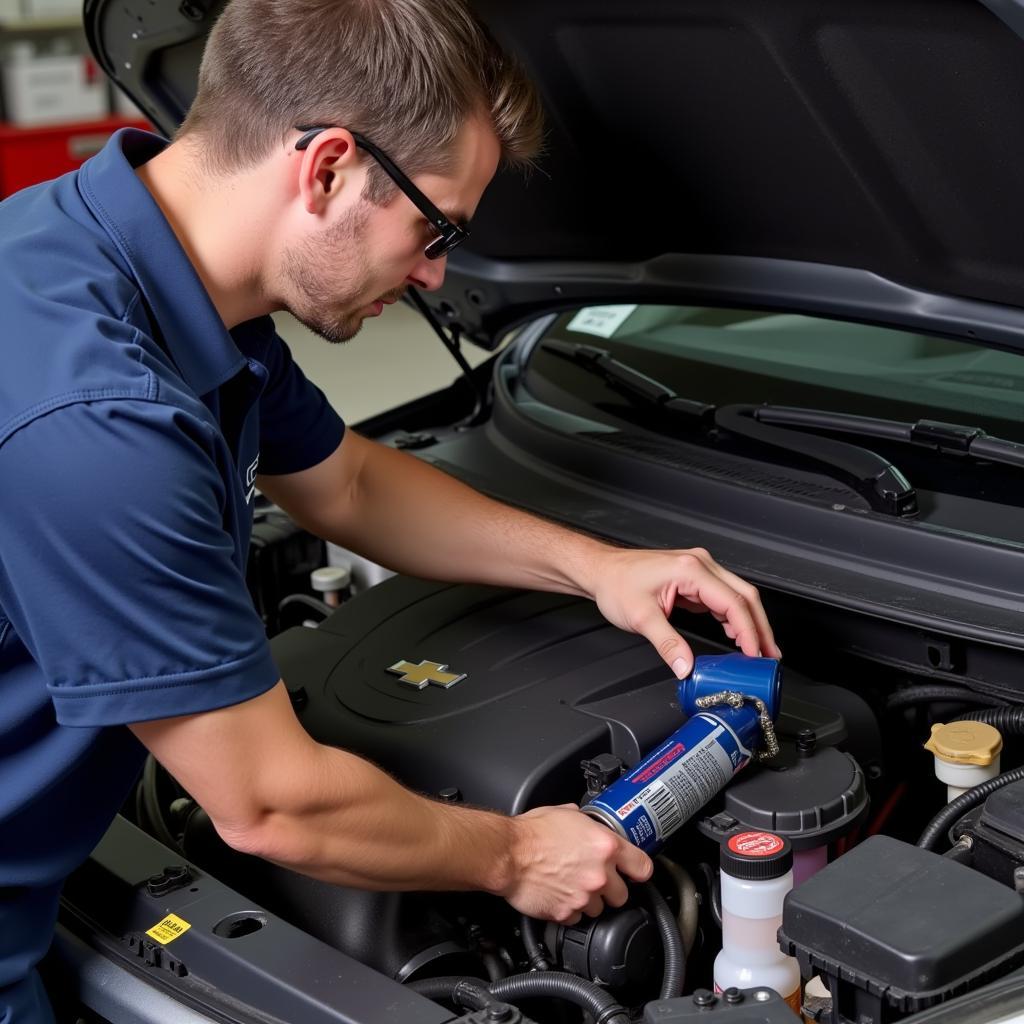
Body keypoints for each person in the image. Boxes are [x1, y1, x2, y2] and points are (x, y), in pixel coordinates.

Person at [0, 1, 781, 1020]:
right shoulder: (103, 422)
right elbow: (271, 804)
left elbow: (347, 484)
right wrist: (512, 855)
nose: (436, 275)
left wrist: (595, 565)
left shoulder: (114, 252)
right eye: (435, 226)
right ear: (325, 167)